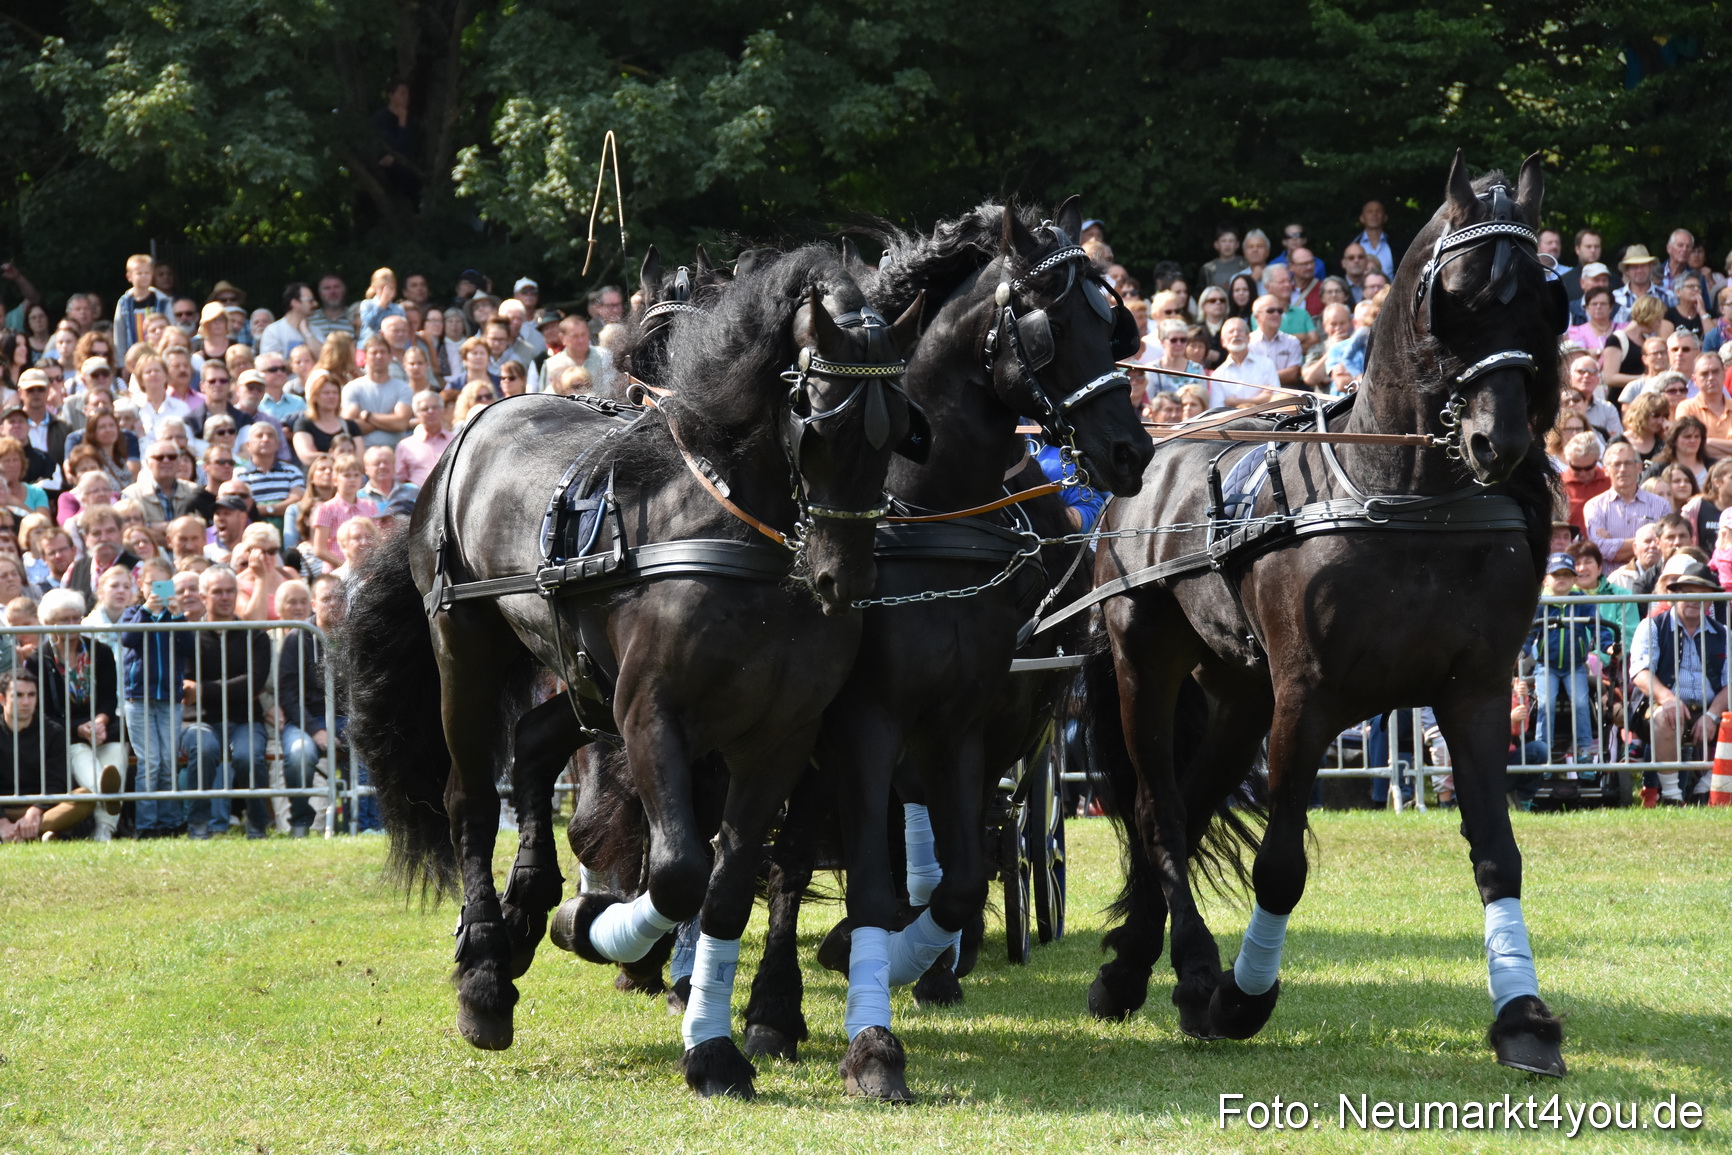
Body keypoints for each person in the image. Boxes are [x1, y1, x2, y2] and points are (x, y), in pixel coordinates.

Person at [179, 565, 273, 838]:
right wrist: (210, 689)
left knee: (247, 756)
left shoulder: (255, 634)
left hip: (245, 720)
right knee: (205, 749)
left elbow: (253, 683)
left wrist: (204, 689)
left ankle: (257, 826)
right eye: (217, 592)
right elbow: (185, 685)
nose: (225, 597)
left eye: (230, 591)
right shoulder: (187, 635)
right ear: (203, 596)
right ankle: (198, 826)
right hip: (198, 721)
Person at [1629, 555, 1727, 804]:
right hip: (1662, 705)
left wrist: (1713, 715)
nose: (1694, 599)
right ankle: (1672, 796)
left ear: (1710, 598)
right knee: (1665, 715)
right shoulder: (1651, 626)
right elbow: (1640, 673)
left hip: (1710, 707)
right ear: (1675, 593)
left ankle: (1707, 786)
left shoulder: (1724, 633)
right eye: (1687, 591)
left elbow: (1730, 683)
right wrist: (1669, 699)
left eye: (1701, 592)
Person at [32, 588, 125, 841]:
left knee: (116, 757)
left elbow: (109, 697)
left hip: (103, 728)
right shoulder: (39, 659)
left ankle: (104, 830)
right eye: (65, 619)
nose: (73, 624)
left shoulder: (100, 652)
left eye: (77, 618)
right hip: (65, 733)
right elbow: (43, 712)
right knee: (85, 761)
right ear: (50, 623)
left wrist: (101, 720)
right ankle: (108, 799)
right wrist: (78, 729)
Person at [119, 565, 194, 837]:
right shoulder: (133, 613)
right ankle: (147, 824)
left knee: (167, 761)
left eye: (163, 586)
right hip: (138, 698)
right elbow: (128, 638)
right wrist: (147, 612)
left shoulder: (175, 616)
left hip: (169, 697)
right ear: (141, 585)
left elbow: (188, 647)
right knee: (149, 762)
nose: (157, 591)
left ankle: (171, 821)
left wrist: (177, 617)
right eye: (152, 585)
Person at [277, 573, 355, 835]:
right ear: (313, 604)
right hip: (304, 720)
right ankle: (301, 820)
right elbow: (287, 694)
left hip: (348, 719)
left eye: (339, 598)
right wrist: (315, 730)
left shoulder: (357, 637)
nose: (334, 604)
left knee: (368, 745)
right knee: (300, 753)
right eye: (327, 598)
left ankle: (356, 823)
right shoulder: (297, 638)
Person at [1525, 553, 1614, 763]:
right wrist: (1523, 649)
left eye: (1567, 574)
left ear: (1575, 579)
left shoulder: (1582, 602)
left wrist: (1607, 645)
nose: (1562, 579)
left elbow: (1597, 625)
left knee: (1582, 703)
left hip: (1575, 666)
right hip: (1547, 665)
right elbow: (1528, 632)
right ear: (1546, 579)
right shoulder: (1541, 603)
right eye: (1557, 575)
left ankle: (1584, 750)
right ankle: (1542, 750)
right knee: (1546, 703)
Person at [0, 669, 94, 842]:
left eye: (31, 695)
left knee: (85, 797)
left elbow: (58, 781)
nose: (26, 702)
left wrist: (35, 811)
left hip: (45, 808)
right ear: (2, 699)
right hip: (4, 807)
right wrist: (1, 822)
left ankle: (25, 832)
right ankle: (43, 833)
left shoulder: (53, 731)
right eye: (18, 695)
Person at [1584, 442, 1671, 565]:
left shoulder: (1662, 505)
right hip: (1611, 581)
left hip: (1650, 579)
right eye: (1617, 464)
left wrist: (1614, 545)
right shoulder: (1595, 506)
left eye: (1628, 463)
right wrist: (1648, 544)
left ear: (1639, 467)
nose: (1623, 469)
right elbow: (1600, 549)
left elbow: (1666, 544)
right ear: (1606, 470)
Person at [341, 335, 413, 449]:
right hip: (363, 452)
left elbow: (401, 423)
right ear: (364, 357)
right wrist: (389, 419)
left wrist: (367, 416)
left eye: (383, 352)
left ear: (390, 357)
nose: (379, 356)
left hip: (395, 452)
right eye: (374, 352)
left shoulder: (403, 388)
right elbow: (348, 426)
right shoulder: (352, 388)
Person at [310, 453, 377, 570]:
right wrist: (345, 566)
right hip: (336, 570)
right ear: (335, 480)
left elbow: (376, 539)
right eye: (347, 475)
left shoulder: (370, 506)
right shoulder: (326, 509)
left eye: (356, 475)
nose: (352, 480)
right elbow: (319, 549)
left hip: (366, 570)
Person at [235, 423, 304, 529]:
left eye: (270, 435)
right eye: (259, 436)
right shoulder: (239, 473)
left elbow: (297, 501)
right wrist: (279, 508)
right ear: (248, 445)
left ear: (277, 444)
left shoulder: (292, 471)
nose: (266, 439)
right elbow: (242, 506)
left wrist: (265, 509)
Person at [121, 439, 203, 527]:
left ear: (179, 462)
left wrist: (155, 527)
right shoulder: (132, 495)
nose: (166, 461)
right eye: (159, 457)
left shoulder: (195, 491)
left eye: (172, 457)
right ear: (148, 463)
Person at [1603, 296, 1670, 398]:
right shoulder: (1617, 339)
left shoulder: (1646, 340)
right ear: (1649, 317)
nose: (1659, 325)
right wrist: (1645, 379)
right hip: (1620, 399)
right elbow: (1610, 377)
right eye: (1658, 320)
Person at [112, 254, 173, 351]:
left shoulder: (163, 300)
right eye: (139, 273)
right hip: (134, 354)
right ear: (129, 276)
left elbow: (171, 328)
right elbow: (119, 333)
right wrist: (121, 362)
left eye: (147, 273)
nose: (143, 276)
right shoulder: (124, 303)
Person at [396, 390, 451, 488]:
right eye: (425, 409)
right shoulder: (405, 446)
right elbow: (399, 479)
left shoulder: (455, 440)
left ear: (442, 410)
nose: (431, 411)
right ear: (417, 414)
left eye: (435, 407)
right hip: (417, 498)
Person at [1643, 415, 1715, 489]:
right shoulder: (1658, 469)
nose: (1693, 441)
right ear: (1674, 440)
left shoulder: (1713, 467)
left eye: (1697, 436)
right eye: (1687, 437)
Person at [1558, 432, 1609, 532]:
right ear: (1566, 459)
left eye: (1588, 468)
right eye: (1576, 468)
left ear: (1597, 459)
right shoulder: (1557, 484)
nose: (1582, 473)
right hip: (1571, 545)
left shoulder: (1611, 481)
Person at [259, 283, 322, 359]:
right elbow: (270, 363)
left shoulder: (315, 330)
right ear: (295, 303)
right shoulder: (273, 331)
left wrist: (307, 333)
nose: (315, 304)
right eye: (310, 301)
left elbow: (325, 358)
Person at [1613, 244, 1674, 321]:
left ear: (1651, 267)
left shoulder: (1668, 296)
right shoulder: (1615, 298)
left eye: (1643, 266)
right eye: (1634, 267)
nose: (1639, 270)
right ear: (1627, 271)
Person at [1564, 286, 1617, 353]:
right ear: (1587, 308)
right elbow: (1579, 355)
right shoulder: (1577, 332)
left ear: (1611, 307)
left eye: (1603, 304)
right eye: (1594, 304)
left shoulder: (1623, 328)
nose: (1598, 307)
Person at [308, 274, 352, 346]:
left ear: (344, 290)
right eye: (327, 288)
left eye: (336, 287)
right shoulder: (309, 320)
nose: (332, 292)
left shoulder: (355, 317)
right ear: (320, 293)